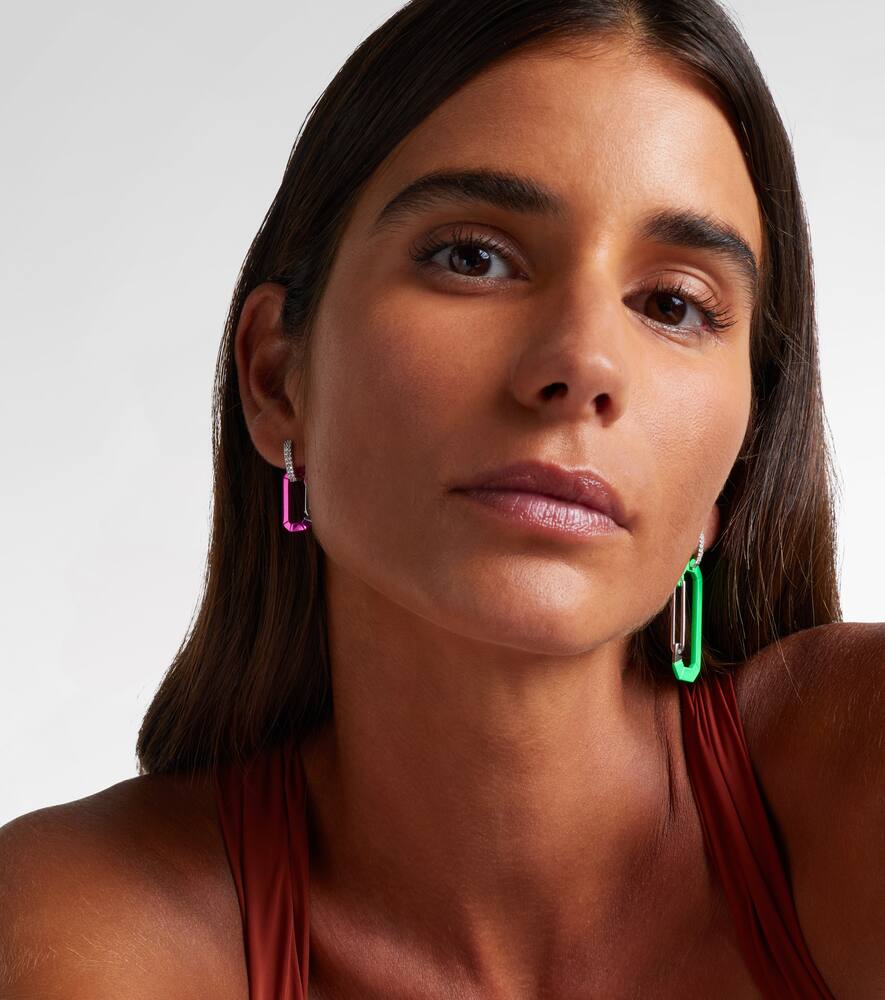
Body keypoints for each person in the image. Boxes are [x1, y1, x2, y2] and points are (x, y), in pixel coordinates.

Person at [2, 0, 883, 996]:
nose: (582, 365)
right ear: (276, 379)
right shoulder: (86, 923)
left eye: (672, 304)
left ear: (737, 463)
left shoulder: (856, 776)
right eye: (474, 258)